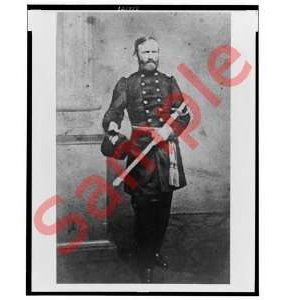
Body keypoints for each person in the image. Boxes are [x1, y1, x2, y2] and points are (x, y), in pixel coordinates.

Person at [101, 36, 191, 283]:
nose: (150, 56)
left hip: (165, 152)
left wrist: (170, 131)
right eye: (145, 52)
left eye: (154, 51)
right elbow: (114, 112)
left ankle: (154, 251)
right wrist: (112, 126)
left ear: (158, 53)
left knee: (163, 206)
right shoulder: (126, 84)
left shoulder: (169, 82)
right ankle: (144, 260)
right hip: (139, 150)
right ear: (136, 55)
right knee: (142, 207)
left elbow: (184, 115)